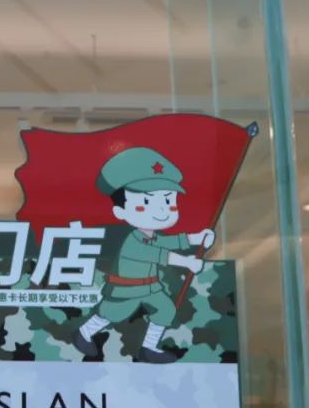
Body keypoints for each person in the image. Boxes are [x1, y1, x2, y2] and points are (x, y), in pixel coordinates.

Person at [71, 147, 214, 363]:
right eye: (146, 202)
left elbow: (167, 242)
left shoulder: (152, 234)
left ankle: (149, 348)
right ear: (120, 212)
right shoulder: (133, 240)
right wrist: (186, 262)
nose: (161, 210)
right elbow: (157, 254)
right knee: (112, 313)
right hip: (126, 288)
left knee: (165, 310)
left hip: (151, 286)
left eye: (168, 201)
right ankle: (83, 334)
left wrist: (196, 238)